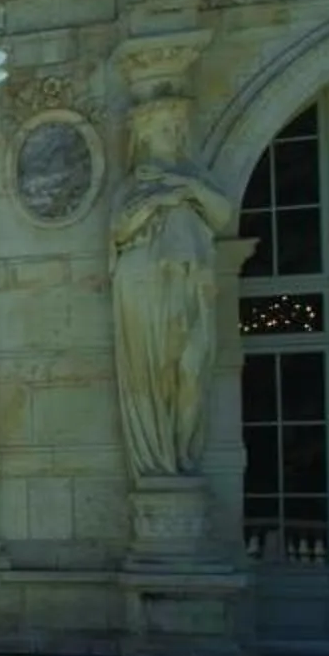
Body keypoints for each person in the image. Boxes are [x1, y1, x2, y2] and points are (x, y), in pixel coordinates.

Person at [110, 105, 238, 477]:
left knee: (192, 367)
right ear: (145, 135)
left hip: (189, 284)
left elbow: (222, 214)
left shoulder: (192, 178)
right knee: (157, 374)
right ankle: (163, 460)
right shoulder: (136, 183)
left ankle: (181, 451)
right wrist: (158, 200)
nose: (176, 134)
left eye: (178, 128)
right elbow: (118, 229)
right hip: (145, 285)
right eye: (167, 128)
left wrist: (189, 188)